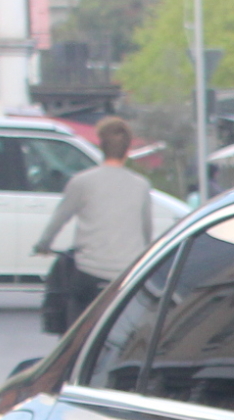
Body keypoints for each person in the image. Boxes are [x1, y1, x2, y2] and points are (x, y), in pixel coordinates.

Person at [32, 116, 154, 334]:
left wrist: (43, 244)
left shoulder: (82, 182)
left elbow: (59, 219)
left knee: (76, 328)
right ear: (127, 150)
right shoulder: (141, 185)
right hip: (126, 274)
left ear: (100, 145)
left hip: (88, 271)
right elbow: (146, 232)